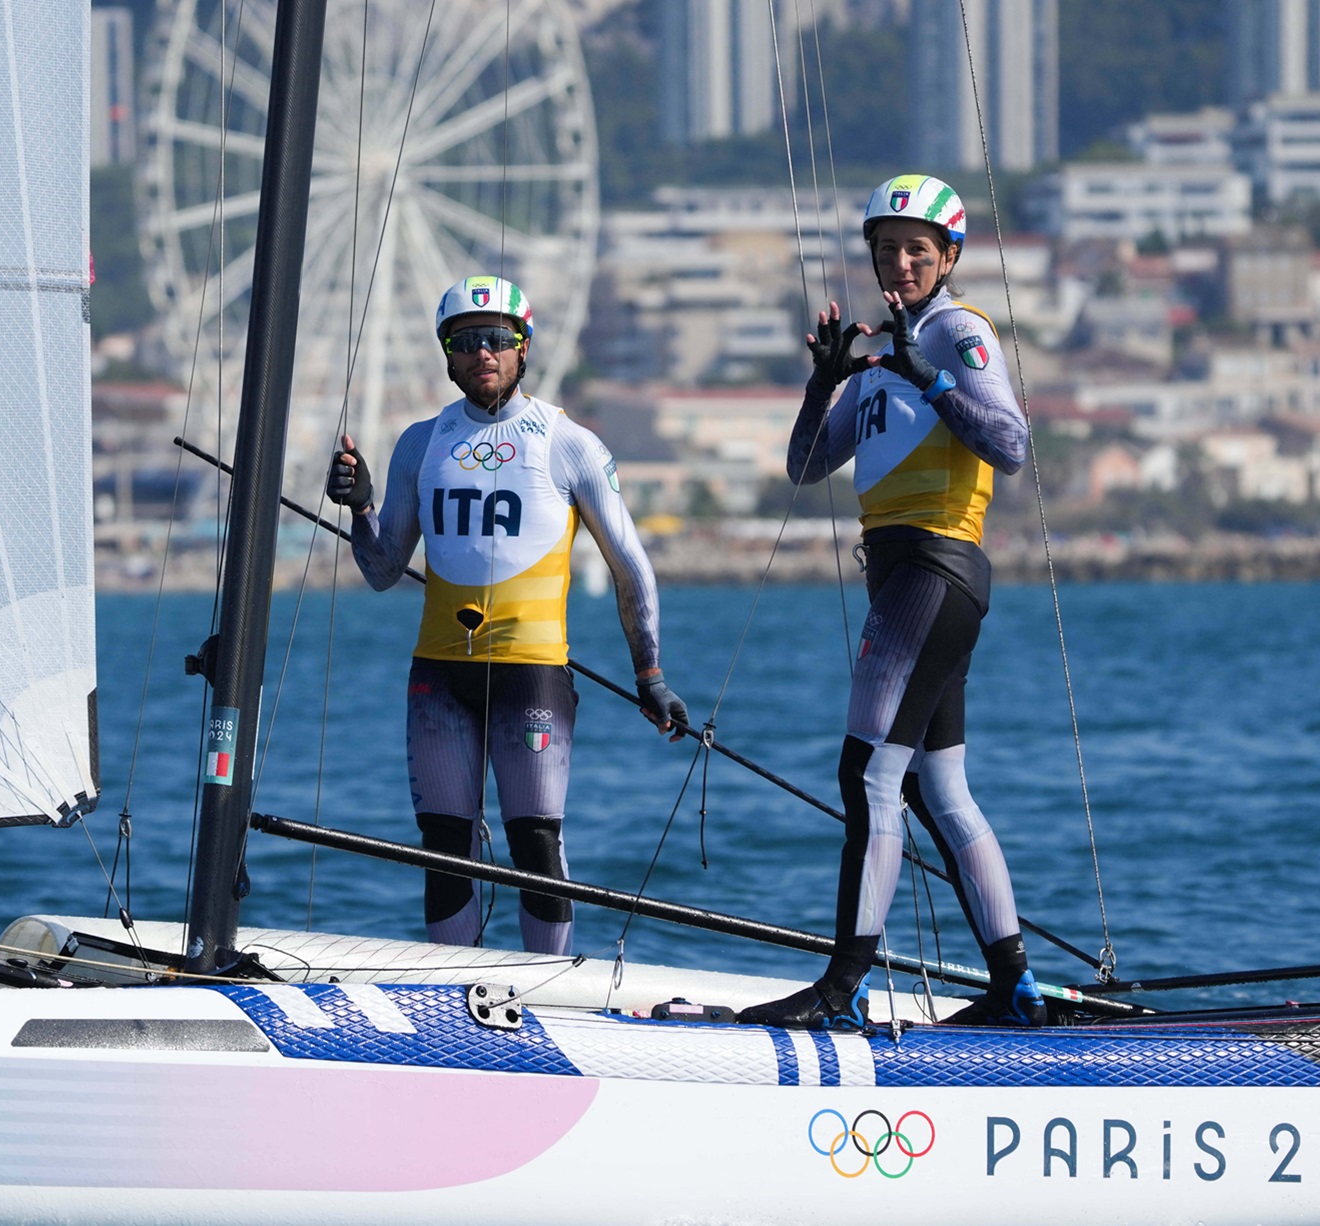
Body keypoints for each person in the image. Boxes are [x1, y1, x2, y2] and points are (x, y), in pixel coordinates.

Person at [738, 175, 1042, 1030]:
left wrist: (934, 381)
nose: (900, 263)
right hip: (909, 577)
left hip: (932, 572)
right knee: (940, 787)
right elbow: (804, 468)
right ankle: (1013, 988)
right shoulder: (881, 361)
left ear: (948, 258)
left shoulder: (957, 330)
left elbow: (1013, 445)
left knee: (867, 773)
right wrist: (823, 382)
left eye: (917, 250)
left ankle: (841, 989)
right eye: (887, 250)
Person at [327, 275, 688, 956]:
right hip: (439, 677)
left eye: (496, 340)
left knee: (534, 840)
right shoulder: (419, 443)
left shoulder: (568, 441)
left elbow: (631, 565)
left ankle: (545, 993)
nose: (482, 353)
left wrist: (650, 673)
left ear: (523, 350)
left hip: (532, 677)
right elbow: (380, 571)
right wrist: (361, 508)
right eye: (466, 342)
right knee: (444, 846)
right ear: (447, 355)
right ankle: (454, 986)